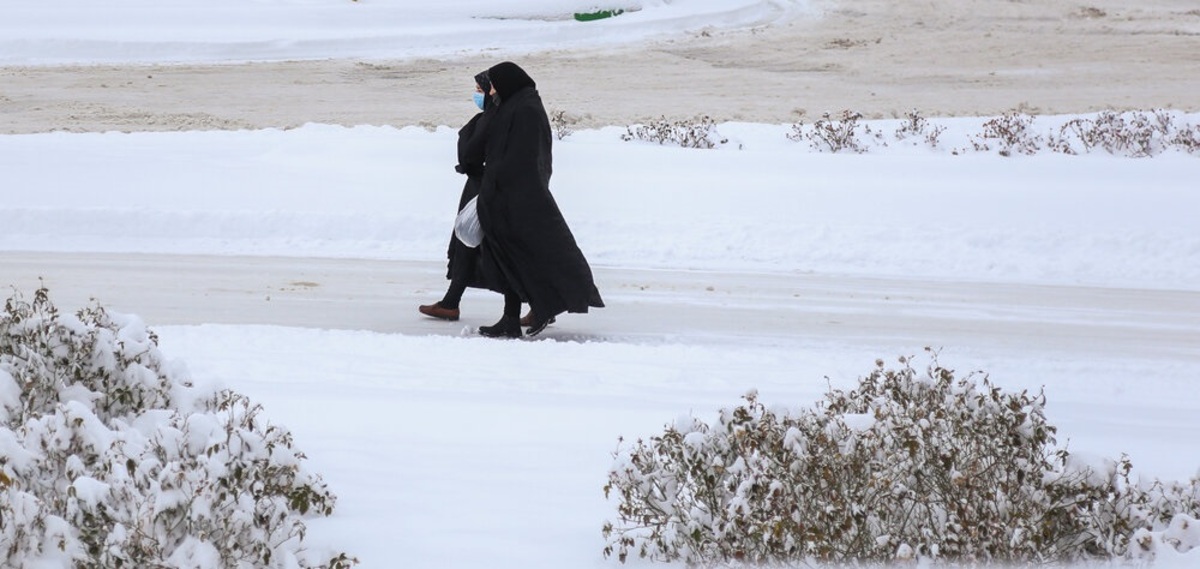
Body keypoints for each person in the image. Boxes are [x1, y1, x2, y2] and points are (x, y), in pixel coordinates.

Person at [473, 61, 604, 338]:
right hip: (503, 198)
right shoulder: (514, 106)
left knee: (533, 256)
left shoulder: (527, 110)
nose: (491, 91)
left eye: (494, 85)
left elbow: (527, 157)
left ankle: (543, 308)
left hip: (521, 200)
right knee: (508, 259)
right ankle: (511, 319)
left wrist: (503, 184)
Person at [418, 70, 494, 322]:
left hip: (487, 190)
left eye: (481, 91)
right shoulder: (490, 117)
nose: (476, 95)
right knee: (468, 244)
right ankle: (451, 301)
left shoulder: (495, 119)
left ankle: (537, 304)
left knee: (489, 247)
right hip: (479, 188)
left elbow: (473, 153)